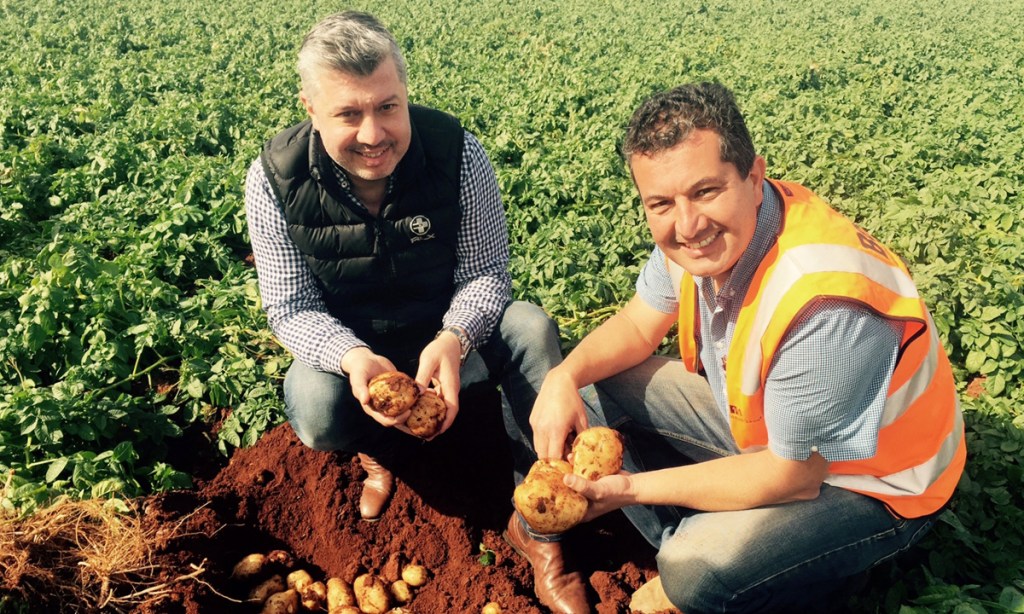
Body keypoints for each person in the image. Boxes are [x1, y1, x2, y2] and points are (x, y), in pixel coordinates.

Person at [519, 82, 966, 613]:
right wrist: (564, 376)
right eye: (661, 203)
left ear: (753, 178)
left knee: (693, 566)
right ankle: (725, 544)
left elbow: (793, 477)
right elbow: (638, 327)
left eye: (705, 191)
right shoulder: (701, 240)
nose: (687, 224)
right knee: (593, 389)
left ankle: (798, 577)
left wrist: (630, 491)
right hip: (778, 435)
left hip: (874, 483)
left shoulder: (822, 303)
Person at [244, 11, 562, 527]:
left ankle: (540, 496)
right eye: (349, 114)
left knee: (530, 328)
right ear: (311, 109)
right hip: (355, 353)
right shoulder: (274, 180)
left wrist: (455, 338)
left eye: (388, 107)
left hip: (447, 339)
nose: (373, 134)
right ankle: (380, 450)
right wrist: (351, 357)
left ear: (405, 93)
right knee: (315, 405)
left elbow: (485, 273)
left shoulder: (458, 154)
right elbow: (290, 307)